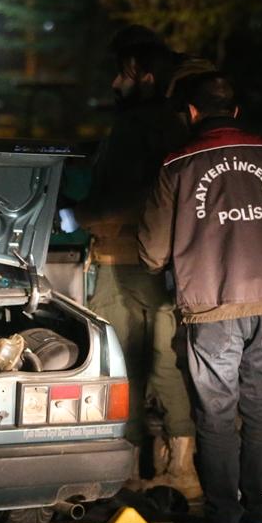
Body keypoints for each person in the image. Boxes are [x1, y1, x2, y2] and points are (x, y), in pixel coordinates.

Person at [139, 73, 262, 523]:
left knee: (216, 413)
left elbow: (151, 250)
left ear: (190, 113)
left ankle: (224, 515)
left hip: (211, 304)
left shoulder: (177, 165)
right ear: (236, 111)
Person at [68, 27, 208, 498]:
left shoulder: (136, 126)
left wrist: (79, 215)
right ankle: (179, 470)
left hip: (125, 259)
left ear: (144, 76)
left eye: (120, 73)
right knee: (164, 365)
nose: (113, 84)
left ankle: (132, 471)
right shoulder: (173, 126)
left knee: (126, 367)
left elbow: (130, 196)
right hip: (161, 262)